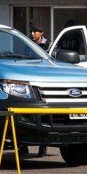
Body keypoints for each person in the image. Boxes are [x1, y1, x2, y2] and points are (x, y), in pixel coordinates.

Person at [29, 25, 49, 158]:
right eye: (31, 31)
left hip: (45, 80)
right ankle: (23, 147)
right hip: (30, 78)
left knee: (44, 116)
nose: (32, 34)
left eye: (34, 31)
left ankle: (43, 148)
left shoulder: (48, 45)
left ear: (41, 32)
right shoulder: (28, 44)